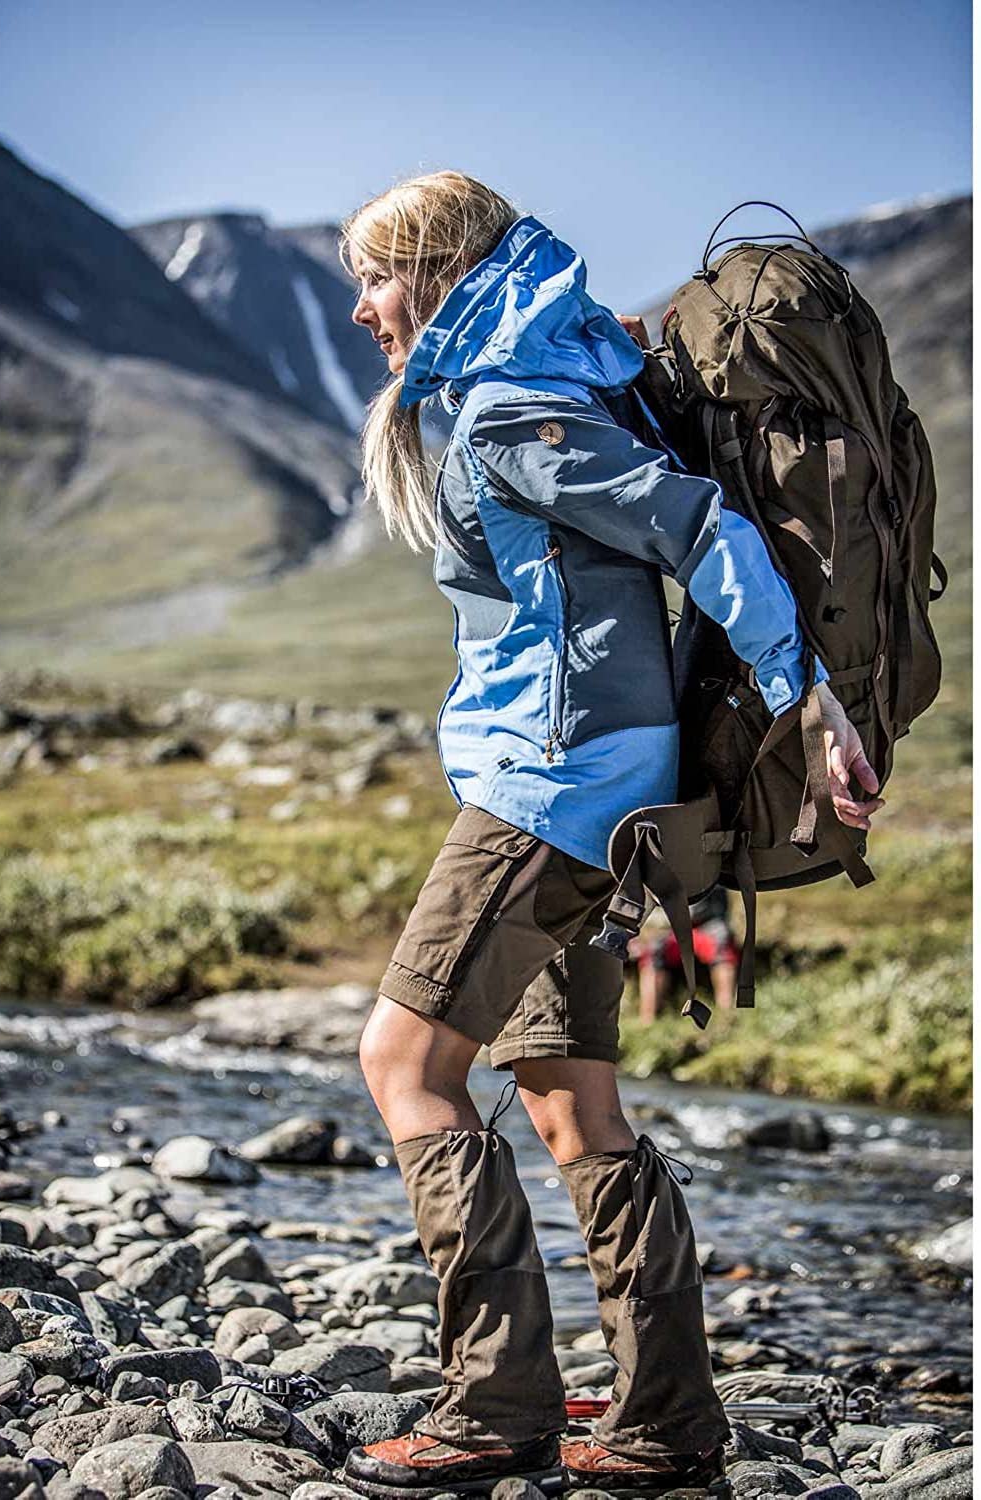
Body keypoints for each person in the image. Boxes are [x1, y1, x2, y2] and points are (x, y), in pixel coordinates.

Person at [338, 172, 882, 1498]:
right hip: (596, 784)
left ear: (445, 272)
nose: (363, 310)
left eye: (382, 278)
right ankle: (667, 1424)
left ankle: (496, 1403)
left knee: (403, 1065)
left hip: (554, 787)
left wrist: (805, 698)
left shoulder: (513, 407)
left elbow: (698, 528)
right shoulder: (537, 375)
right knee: (570, 1103)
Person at [631, 887, 740, 1023]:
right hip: (669, 930)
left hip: (706, 923)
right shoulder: (650, 872)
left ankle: (726, 1011)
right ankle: (647, 1019)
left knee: (722, 943)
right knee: (653, 952)